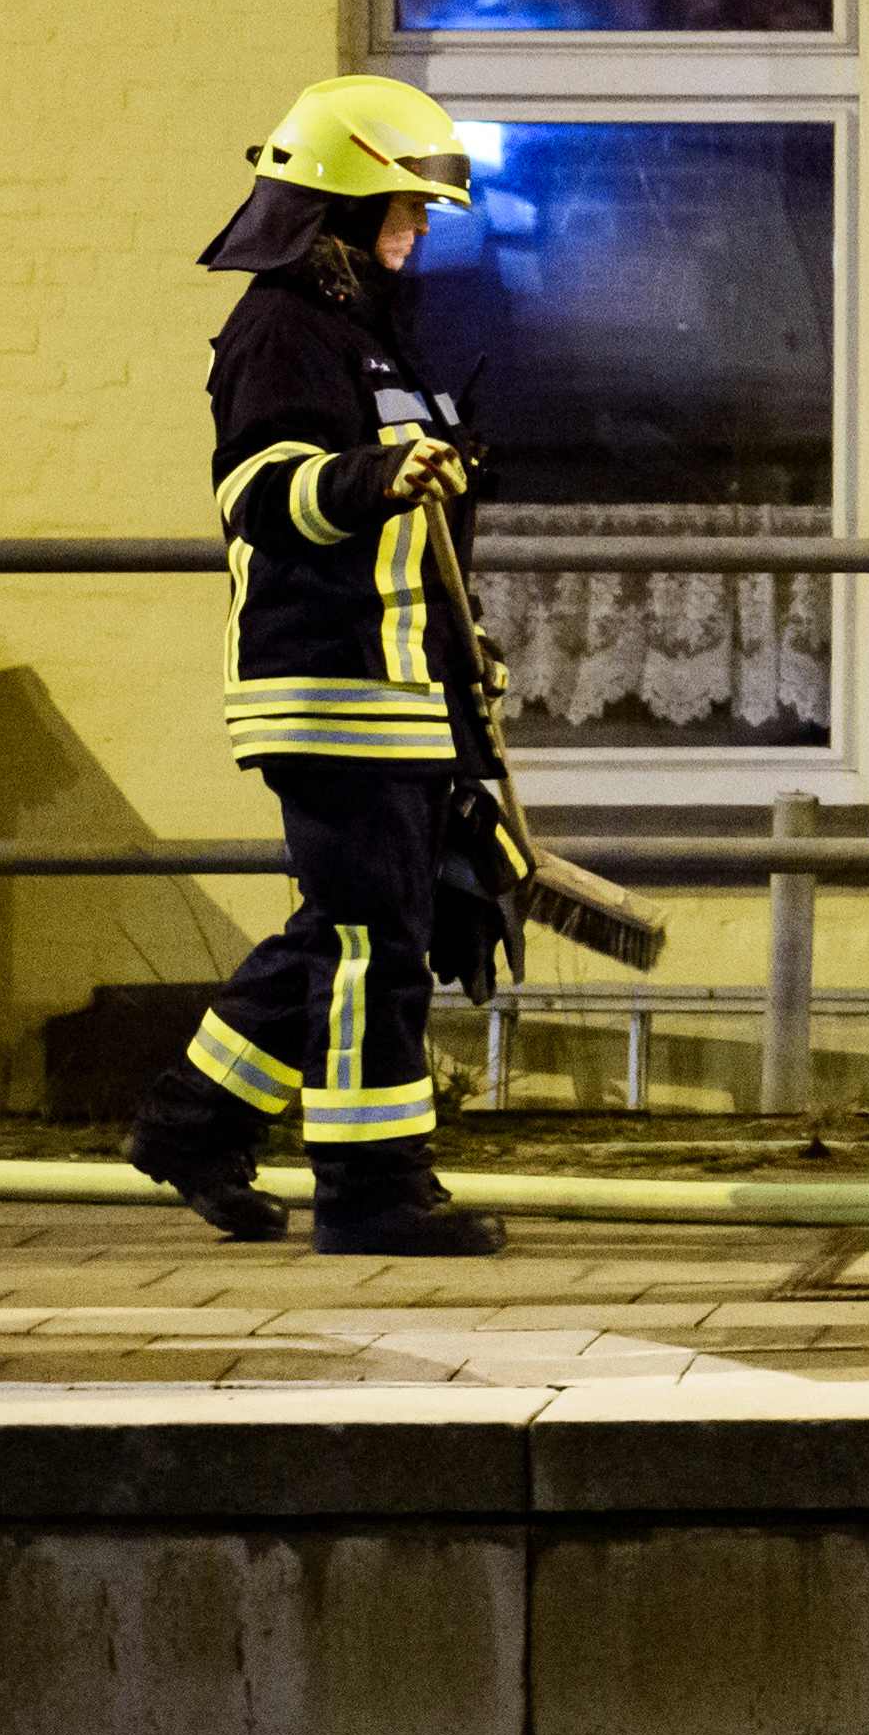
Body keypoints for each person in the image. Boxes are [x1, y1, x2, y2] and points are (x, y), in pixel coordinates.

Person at [124, 75, 511, 1258]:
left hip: (392, 682)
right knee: (367, 942)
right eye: (395, 211)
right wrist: (371, 477)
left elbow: (409, 517)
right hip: (325, 679)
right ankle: (369, 1188)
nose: (413, 232)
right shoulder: (280, 327)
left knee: (358, 924)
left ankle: (196, 1124)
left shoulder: (363, 329)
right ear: (331, 212)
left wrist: (463, 657)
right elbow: (259, 489)